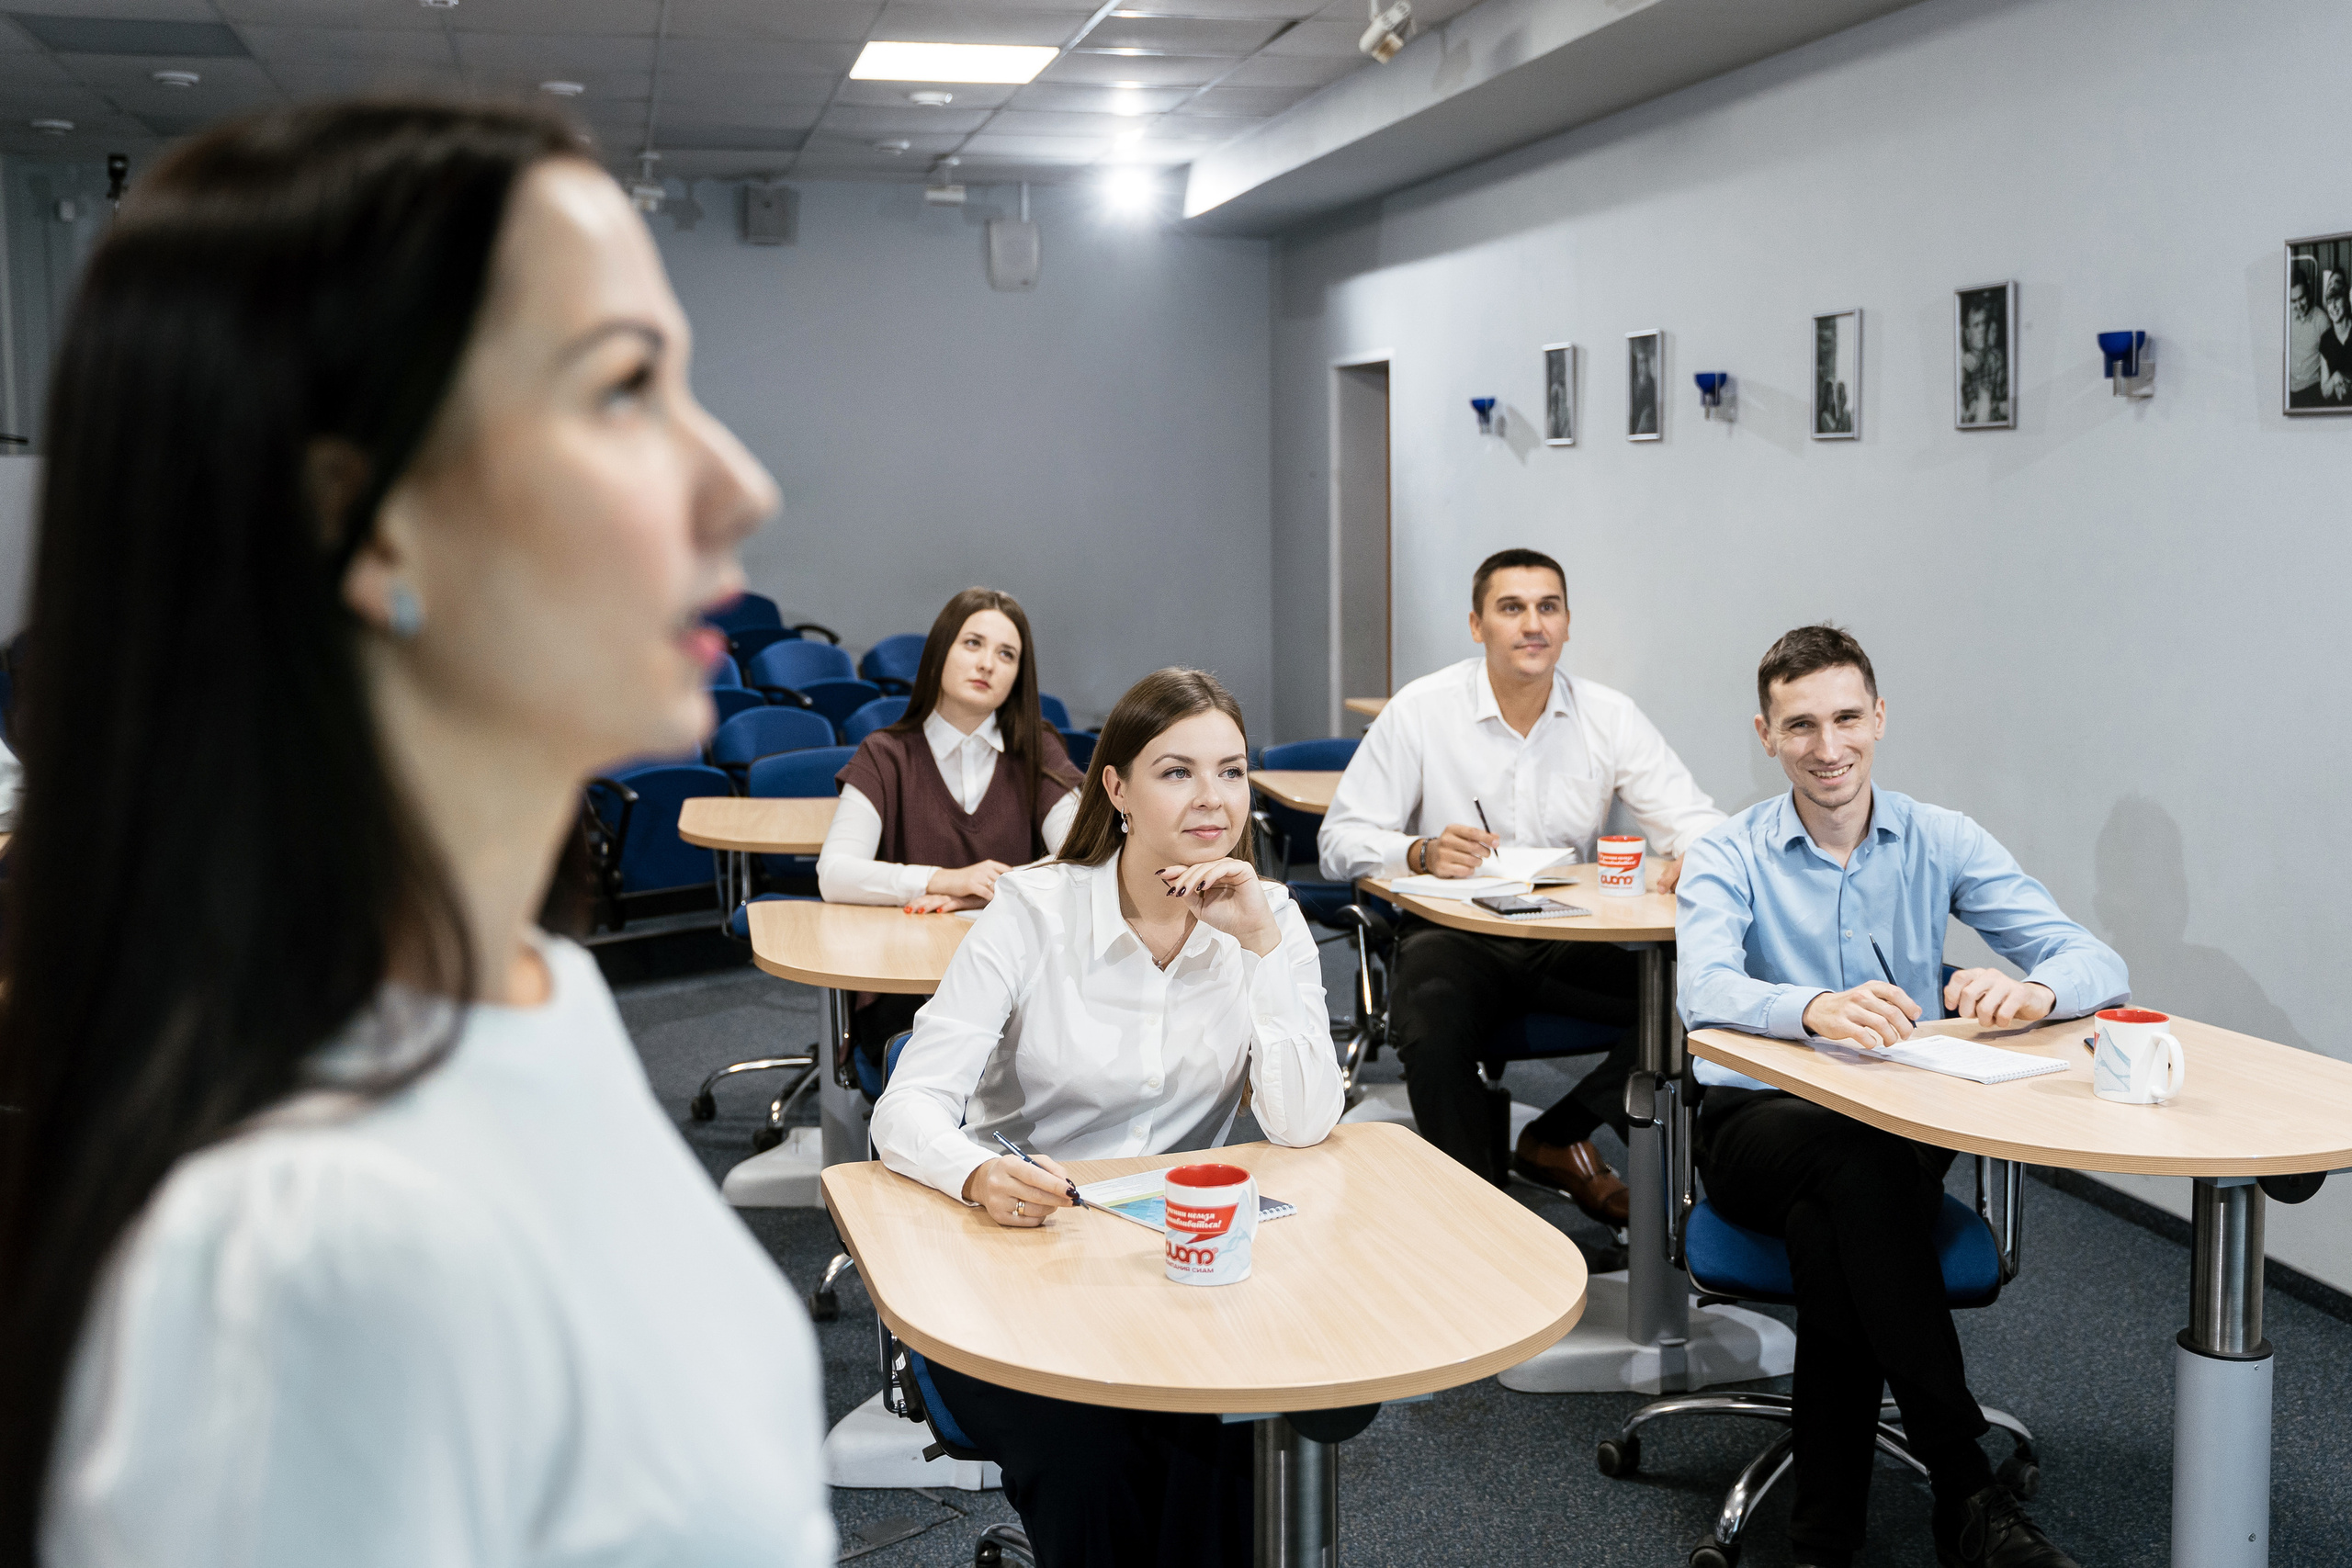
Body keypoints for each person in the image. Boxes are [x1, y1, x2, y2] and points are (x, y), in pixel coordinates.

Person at [0, 102, 833, 1565]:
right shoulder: (310, 1256)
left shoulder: (527, 988)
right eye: (623, 388)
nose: (739, 485)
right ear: (366, 518)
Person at [871, 668, 1344, 1568]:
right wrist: (975, 1171)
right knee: (1091, 1462)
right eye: (1177, 772)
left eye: (1231, 771)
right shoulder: (1033, 912)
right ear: (1117, 788)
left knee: (1231, 1439)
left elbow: (1302, 1123)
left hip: (1184, 1265)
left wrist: (1262, 947)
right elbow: (908, 1105)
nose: (1212, 798)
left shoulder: (1268, 916)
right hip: (1026, 1260)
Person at [1677, 624, 2120, 1568]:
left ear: (1879, 717)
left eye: (1846, 718)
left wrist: (2037, 991)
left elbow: (2094, 960)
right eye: (1801, 725)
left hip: (1898, 1122)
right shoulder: (1729, 851)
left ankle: (1823, 1542)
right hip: (1759, 1125)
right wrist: (1811, 1008)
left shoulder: (1939, 837)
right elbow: (1703, 991)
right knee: (1852, 1166)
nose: (1827, 746)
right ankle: (1963, 1482)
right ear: (1765, 734)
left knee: (1834, 1225)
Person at [1319, 547, 1724, 1216]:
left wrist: (1697, 853)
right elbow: (1337, 842)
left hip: (1567, 932)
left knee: (1701, 1006)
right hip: (1453, 933)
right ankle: (1480, 1219)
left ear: (1567, 623)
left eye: (1548, 607)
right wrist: (1419, 851)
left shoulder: (1608, 715)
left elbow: (1696, 819)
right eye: (1512, 608)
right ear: (1477, 625)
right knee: (1430, 1027)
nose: (1533, 624)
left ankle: (1556, 1137)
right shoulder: (1422, 709)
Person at [819, 585, 1080, 1062]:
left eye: (1006, 654)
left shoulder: (1038, 749)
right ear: (940, 654)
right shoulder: (885, 754)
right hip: (903, 979)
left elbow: (1083, 856)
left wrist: (990, 890)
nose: (987, 664)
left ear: (1017, 676)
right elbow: (835, 874)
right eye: (973, 643)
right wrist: (947, 880)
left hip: (1012, 974)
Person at [2287, 260, 2326, 409]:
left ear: (2308, 292)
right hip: (2288, 389)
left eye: (2301, 298)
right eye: (2293, 301)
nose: (2298, 305)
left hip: (2312, 389)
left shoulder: (2322, 320)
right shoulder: (2286, 318)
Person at [2315, 269, 2352, 405]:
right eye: (2330, 301)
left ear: (2346, 301)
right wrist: (2335, 377)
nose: (2333, 307)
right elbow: (2325, 391)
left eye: (2337, 300)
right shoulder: (2326, 340)